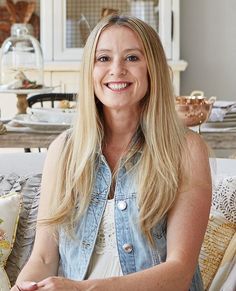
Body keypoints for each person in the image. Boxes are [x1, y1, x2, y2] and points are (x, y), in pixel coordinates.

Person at [11, 14, 212, 291]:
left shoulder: (186, 150)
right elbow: (44, 257)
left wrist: (82, 289)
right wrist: (25, 286)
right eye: (103, 58)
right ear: (90, 70)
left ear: (151, 68)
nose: (117, 70)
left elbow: (178, 273)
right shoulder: (64, 150)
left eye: (132, 58)